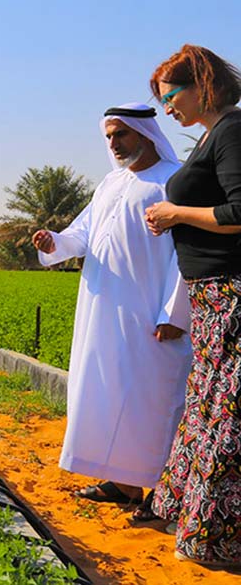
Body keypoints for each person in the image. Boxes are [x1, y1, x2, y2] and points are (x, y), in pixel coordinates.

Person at [32, 102, 191, 521]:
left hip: (150, 315)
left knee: (153, 399)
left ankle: (163, 493)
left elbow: (188, 255)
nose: (114, 144)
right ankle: (122, 483)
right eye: (108, 137)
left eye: (121, 134)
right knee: (107, 391)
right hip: (102, 309)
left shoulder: (173, 182)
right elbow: (81, 234)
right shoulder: (109, 183)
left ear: (145, 134)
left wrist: (175, 312)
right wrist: (55, 243)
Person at [144, 44, 241, 568]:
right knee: (209, 406)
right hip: (212, 293)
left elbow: (239, 211)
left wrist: (176, 211)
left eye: (171, 95)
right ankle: (195, 519)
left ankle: (217, 536)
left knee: (226, 414)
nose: (168, 108)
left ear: (204, 84)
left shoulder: (232, 131)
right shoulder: (214, 134)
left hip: (232, 294)